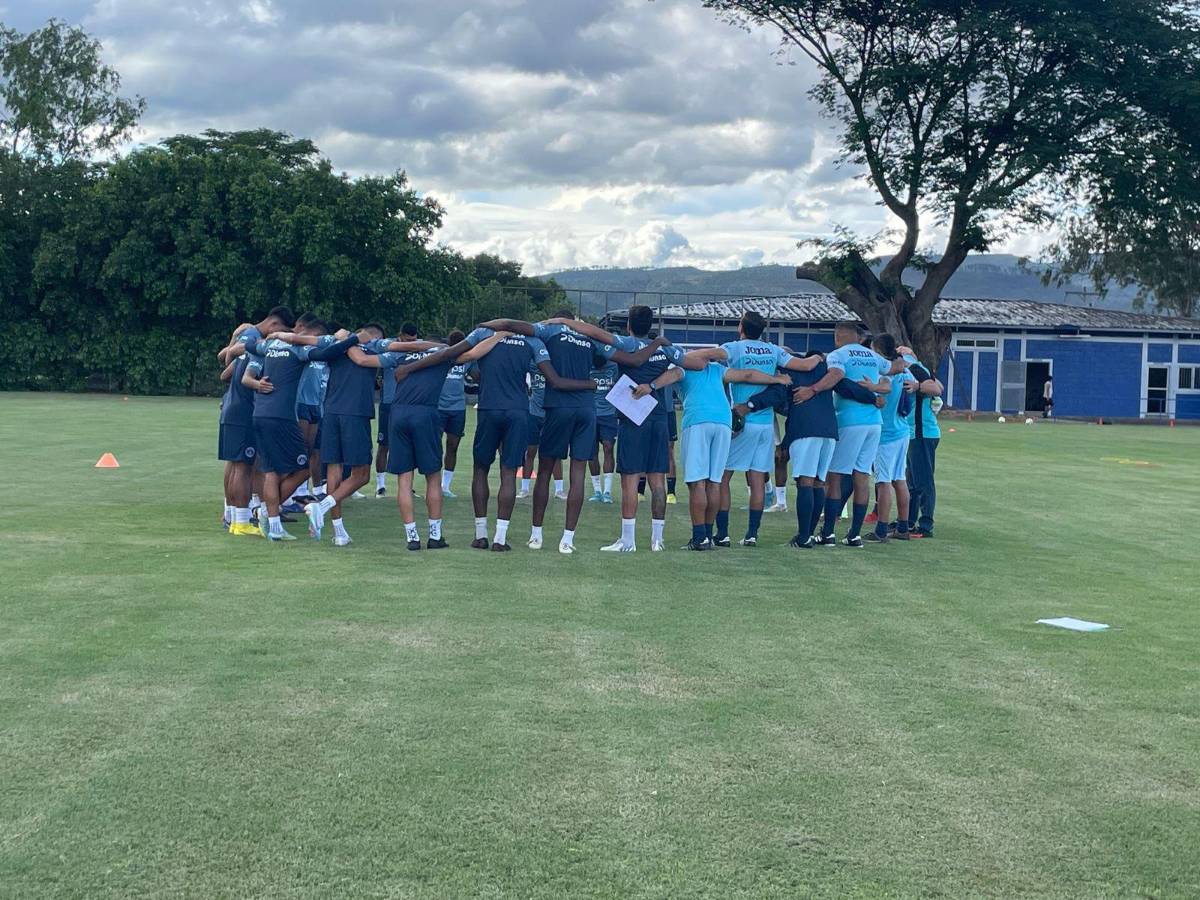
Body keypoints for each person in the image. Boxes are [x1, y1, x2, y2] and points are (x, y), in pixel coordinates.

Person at [479, 312, 662, 554]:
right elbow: (635, 360)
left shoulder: (550, 331)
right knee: (578, 473)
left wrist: (484, 325)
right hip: (587, 410)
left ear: (555, 320)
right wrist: (658, 343)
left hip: (558, 408)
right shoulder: (590, 337)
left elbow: (511, 323)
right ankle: (567, 539)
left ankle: (537, 535)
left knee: (545, 470)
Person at [348, 331, 504, 550]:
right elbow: (475, 352)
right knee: (432, 476)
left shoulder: (401, 355)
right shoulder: (443, 355)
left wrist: (345, 341)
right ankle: (435, 535)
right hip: (426, 414)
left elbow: (362, 359)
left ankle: (412, 537)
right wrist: (500, 335)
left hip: (398, 414)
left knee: (404, 478)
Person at [643, 349, 791, 550]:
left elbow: (671, 375)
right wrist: (776, 379)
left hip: (697, 420)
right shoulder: (717, 369)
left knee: (697, 483)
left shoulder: (682, 367)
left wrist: (650, 386)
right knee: (714, 481)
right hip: (723, 421)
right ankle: (708, 536)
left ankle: (698, 537)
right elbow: (747, 375)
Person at [737, 351, 882, 548]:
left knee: (805, 481)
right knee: (819, 482)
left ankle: (804, 537)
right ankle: (810, 534)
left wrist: (750, 405)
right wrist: (873, 398)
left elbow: (776, 394)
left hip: (805, 429)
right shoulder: (827, 370)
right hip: (830, 431)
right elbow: (848, 386)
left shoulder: (789, 372)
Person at [714, 311, 822, 548]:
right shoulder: (773, 350)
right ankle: (752, 534)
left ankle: (722, 533)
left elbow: (713, 355)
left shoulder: (734, 347)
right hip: (766, 424)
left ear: (741, 326)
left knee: (723, 477)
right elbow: (803, 364)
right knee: (757, 478)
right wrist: (820, 358)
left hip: (741, 421)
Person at [792, 322, 904, 547]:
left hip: (849, 420)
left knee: (835, 476)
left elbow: (835, 375)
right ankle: (854, 535)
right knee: (861, 476)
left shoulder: (838, 355)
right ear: (859, 337)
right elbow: (896, 367)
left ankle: (829, 533)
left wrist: (812, 389)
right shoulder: (872, 356)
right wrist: (879, 385)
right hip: (874, 421)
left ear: (837, 337)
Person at [242, 328, 353, 541]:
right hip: (282, 417)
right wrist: (351, 339)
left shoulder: (268, 347)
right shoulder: (297, 350)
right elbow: (325, 353)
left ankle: (273, 524)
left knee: (271, 469)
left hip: (260, 414)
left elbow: (249, 345)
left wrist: (253, 336)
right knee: (302, 469)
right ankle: (268, 514)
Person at [866, 334, 917, 543]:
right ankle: (903, 526)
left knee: (883, 481)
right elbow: (915, 382)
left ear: (878, 351)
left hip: (885, 434)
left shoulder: (883, 373)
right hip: (902, 430)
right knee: (899, 479)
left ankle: (881, 529)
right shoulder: (904, 370)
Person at [218, 327, 266, 536]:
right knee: (244, 468)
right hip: (243, 413)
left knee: (235, 464)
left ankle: (231, 515)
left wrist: (233, 345)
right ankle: (241, 521)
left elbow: (224, 373)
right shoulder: (256, 352)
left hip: (230, 409)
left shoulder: (242, 353)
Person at [899, 345, 943, 538]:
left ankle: (926, 525)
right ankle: (908, 521)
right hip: (912, 433)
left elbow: (935, 388)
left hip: (922, 433)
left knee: (923, 481)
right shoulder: (917, 367)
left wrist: (917, 386)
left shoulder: (914, 368)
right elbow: (937, 384)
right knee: (912, 481)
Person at [374, 322, 419, 497]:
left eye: (413, 340)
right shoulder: (388, 347)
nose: (411, 343)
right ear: (400, 336)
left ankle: (408, 486)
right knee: (384, 445)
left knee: (409, 446)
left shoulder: (417, 349)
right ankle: (380, 486)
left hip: (408, 404)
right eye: (408, 340)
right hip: (388, 403)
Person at [437, 329, 475, 499]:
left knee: (453, 446)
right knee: (435, 446)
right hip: (438, 407)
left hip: (458, 408)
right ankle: (434, 483)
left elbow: (478, 376)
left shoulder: (467, 360)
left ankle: (446, 486)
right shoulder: (442, 357)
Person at [587, 352, 618, 504]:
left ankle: (607, 491)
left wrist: (616, 386)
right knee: (591, 453)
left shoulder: (614, 366)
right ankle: (597, 490)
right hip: (591, 414)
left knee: (608, 447)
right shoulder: (586, 365)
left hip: (609, 414)